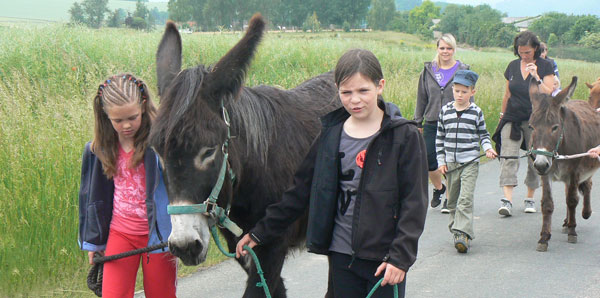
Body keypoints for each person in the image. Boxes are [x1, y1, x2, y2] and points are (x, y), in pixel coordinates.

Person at [235, 49, 428, 298]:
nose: (354, 100)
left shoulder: (405, 137)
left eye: (363, 91)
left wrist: (401, 258)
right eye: (346, 92)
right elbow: (299, 191)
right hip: (340, 256)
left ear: (380, 86)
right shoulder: (331, 135)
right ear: (337, 89)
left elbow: (414, 203)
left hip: (384, 261)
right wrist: (261, 232)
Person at [78, 74, 176, 298]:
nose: (126, 125)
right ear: (106, 115)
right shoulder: (98, 149)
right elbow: (91, 198)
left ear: (143, 106)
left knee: (161, 295)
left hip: (158, 237)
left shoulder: (161, 144)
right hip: (120, 233)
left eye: (132, 117)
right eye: (118, 120)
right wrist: (94, 243)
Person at [492, 31, 554, 216]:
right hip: (512, 117)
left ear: (535, 49)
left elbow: (548, 92)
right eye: (520, 52)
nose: (524, 55)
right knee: (508, 157)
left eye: (527, 52)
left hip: (535, 120)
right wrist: (502, 116)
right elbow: (507, 94)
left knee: (534, 158)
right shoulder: (512, 66)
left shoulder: (545, 65)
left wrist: (536, 76)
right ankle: (507, 200)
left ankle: (530, 197)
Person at [436, 70, 497, 253]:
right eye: (457, 91)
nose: (460, 95)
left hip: (470, 162)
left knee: (465, 198)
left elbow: (483, 135)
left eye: (464, 91)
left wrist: (487, 148)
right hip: (451, 164)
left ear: (473, 92)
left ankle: (462, 233)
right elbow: (439, 138)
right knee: (453, 201)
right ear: (452, 90)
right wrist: (441, 161)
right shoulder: (445, 111)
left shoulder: (476, 112)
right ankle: (457, 231)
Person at [415, 33, 471, 213]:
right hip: (432, 121)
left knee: (450, 161)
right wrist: (418, 121)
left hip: (455, 121)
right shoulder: (428, 70)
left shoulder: (462, 70)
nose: (445, 51)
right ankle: (440, 189)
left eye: (449, 48)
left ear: (454, 50)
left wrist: (469, 119)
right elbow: (421, 97)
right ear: (437, 49)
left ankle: (450, 199)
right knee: (429, 160)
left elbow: (470, 97)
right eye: (442, 48)